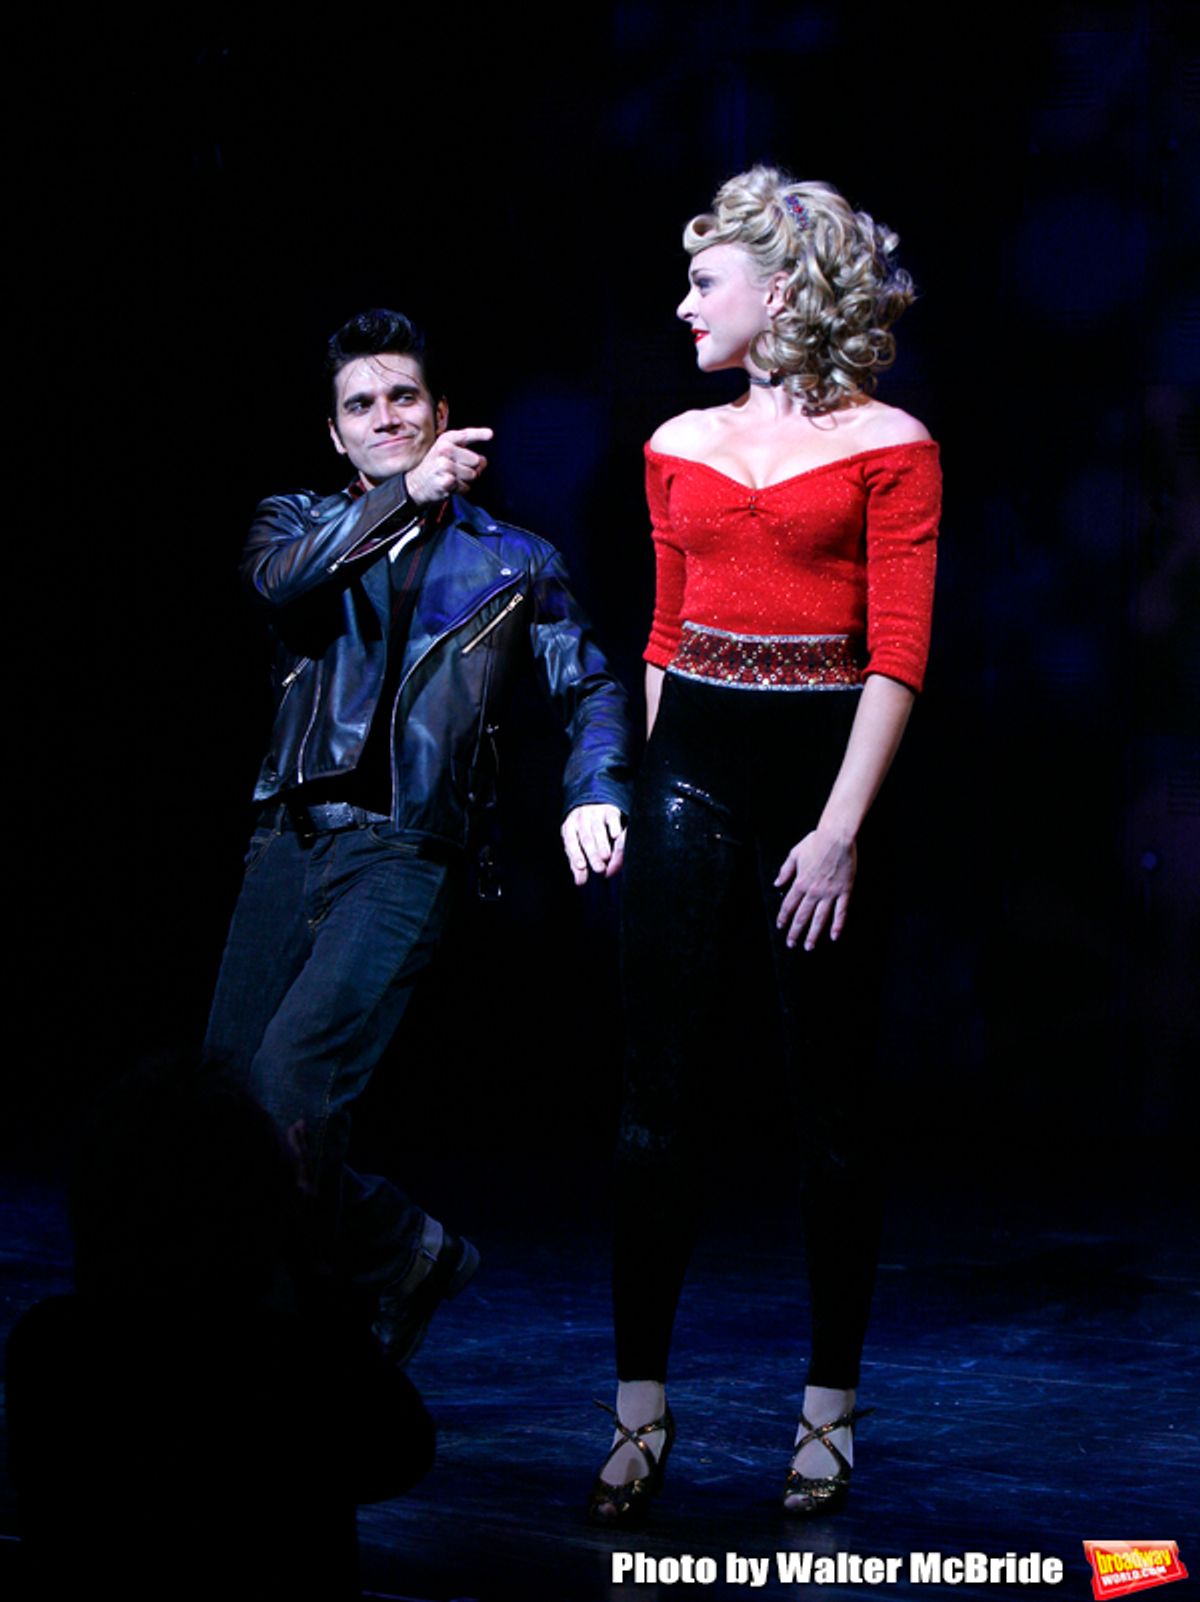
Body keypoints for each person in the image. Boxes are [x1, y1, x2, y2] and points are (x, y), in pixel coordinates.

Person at [588, 168, 940, 1524]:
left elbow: (898, 652)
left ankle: (828, 1410)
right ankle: (637, 1408)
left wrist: (839, 832)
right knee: (654, 1104)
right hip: (698, 779)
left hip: (825, 785)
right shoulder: (675, 440)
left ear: (780, 293)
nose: (684, 305)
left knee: (832, 1116)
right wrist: (667, 782)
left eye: (706, 283)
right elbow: (665, 637)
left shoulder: (894, 442)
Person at [205, 309, 631, 1363]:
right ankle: (399, 1256)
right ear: (337, 435)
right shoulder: (292, 524)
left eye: (404, 398)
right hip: (287, 841)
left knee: (296, 1089)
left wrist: (594, 789)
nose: (385, 417)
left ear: (442, 416)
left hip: (406, 850)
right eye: (363, 405)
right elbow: (279, 585)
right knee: (219, 1118)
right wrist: (401, 501)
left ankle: (305, 1332)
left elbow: (590, 690)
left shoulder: (516, 563)